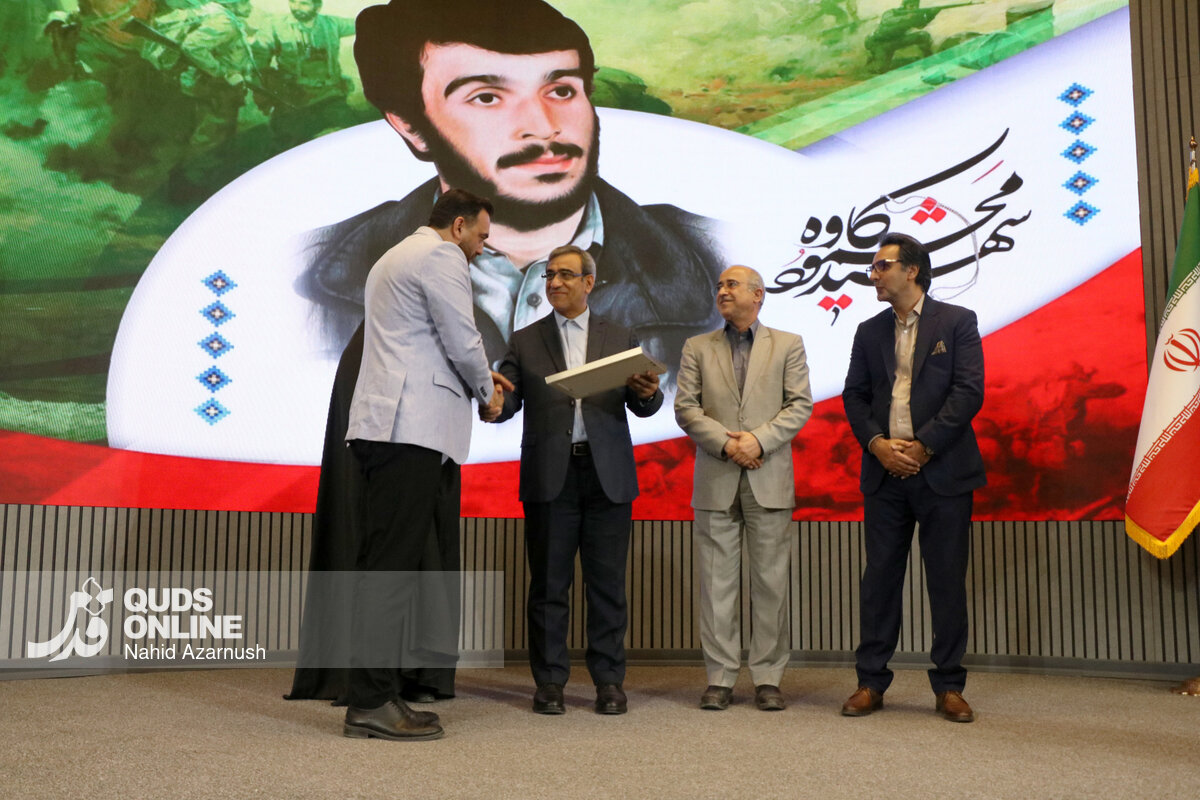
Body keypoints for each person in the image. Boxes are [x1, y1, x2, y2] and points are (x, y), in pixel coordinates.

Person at [296, 0, 725, 374]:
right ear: (411, 127)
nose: (543, 126)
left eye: (561, 90)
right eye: (486, 97)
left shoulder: (715, 256)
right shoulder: (317, 275)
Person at [341, 188, 512, 741]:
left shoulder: (394, 255)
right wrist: (487, 391)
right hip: (410, 430)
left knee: (380, 565)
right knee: (391, 571)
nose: (482, 248)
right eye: (480, 237)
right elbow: (462, 339)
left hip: (384, 427)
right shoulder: (440, 256)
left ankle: (375, 693)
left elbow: (419, 341)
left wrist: (479, 376)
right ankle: (371, 702)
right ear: (458, 226)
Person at [489, 245, 663, 715]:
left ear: (589, 282)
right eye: (549, 275)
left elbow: (643, 404)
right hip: (552, 476)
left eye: (565, 275)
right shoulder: (525, 340)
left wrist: (649, 393)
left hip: (607, 477)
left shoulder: (619, 335)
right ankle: (550, 682)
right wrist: (494, 402)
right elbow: (508, 400)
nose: (554, 283)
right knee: (549, 586)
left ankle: (609, 681)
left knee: (607, 586)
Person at [839, 232, 985, 723]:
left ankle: (949, 685)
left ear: (912, 271)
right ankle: (870, 681)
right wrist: (878, 445)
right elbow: (855, 396)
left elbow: (968, 392)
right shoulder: (868, 331)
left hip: (942, 471)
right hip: (885, 474)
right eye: (873, 267)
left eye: (882, 266)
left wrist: (922, 447)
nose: (873, 275)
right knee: (879, 580)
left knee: (946, 580)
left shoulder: (957, 322)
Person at [674, 265, 813, 711]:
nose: (722, 291)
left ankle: (768, 678)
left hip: (768, 476)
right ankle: (720, 678)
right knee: (717, 585)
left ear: (758, 295)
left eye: (731, 285)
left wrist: (758, 441)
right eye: (719, 285)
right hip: (715, 479)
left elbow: (799, 405)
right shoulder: (697, 347)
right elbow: (686, 408)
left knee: (771, 584)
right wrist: (729, 445)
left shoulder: (787, 344)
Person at [253, 0, 367, 148]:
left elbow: (365, 22)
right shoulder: (275, 26)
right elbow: (258, 60)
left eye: (304, 3)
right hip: (293, 98)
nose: (296, 7)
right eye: (293, 1)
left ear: (317, 7)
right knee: (288, 146)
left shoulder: (332, 24)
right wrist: (266, 92)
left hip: (329, 95)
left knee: (354, 137)